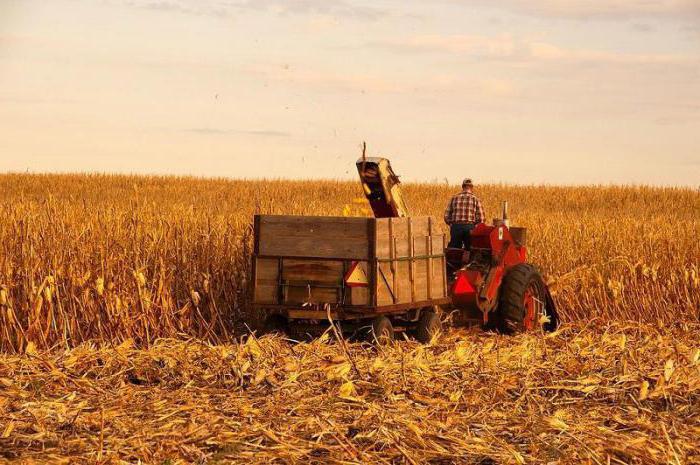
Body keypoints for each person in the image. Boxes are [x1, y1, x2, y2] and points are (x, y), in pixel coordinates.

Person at [444, 178, 485, 250]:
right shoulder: (475, 199)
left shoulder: (454, 198)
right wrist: (475, 226)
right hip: (469, 227)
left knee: (454, 250)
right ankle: (468, 261)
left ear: (462, 187)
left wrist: (451, 224)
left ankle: (454, 261)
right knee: (470, 250)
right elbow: (481, 218)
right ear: (472, 187)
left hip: (456, 227)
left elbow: (446, 216)